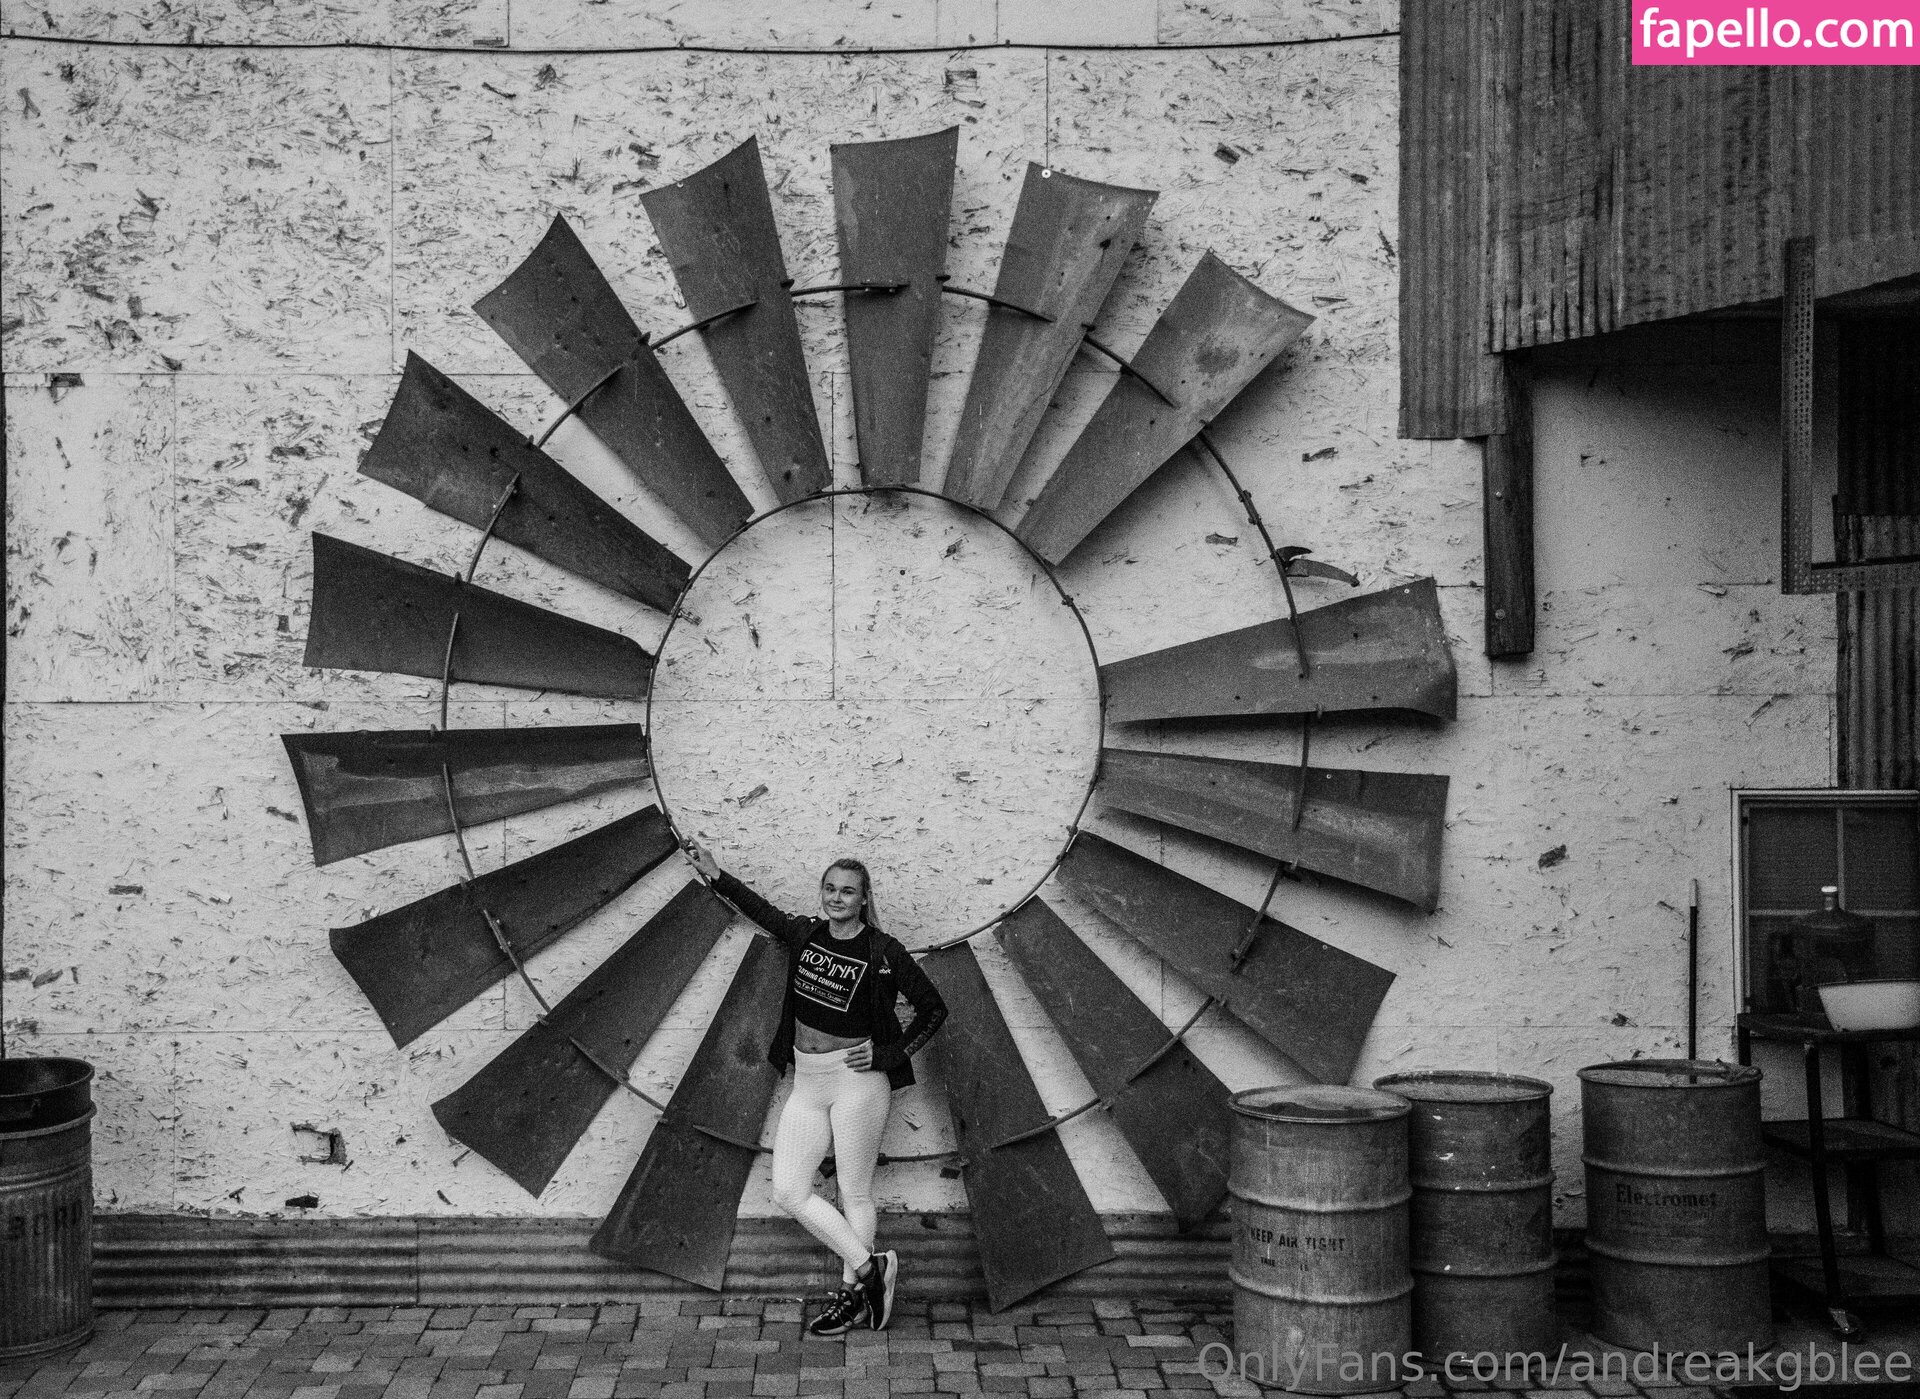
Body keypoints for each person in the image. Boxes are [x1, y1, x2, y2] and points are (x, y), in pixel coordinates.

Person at [682, 838, 948, 1335]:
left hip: (857, 1084)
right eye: (830, 888)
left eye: (847, 891)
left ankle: (852, 1298)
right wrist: (716, 874)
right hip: (807, 1080)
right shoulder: (806, 934)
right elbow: (761, 910)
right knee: (788, 1190)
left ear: (864, 899)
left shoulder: (883, 951)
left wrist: (890, 1055)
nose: (836, 898)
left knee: (854, 1192)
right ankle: (872, 1271)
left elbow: (933, 1009)